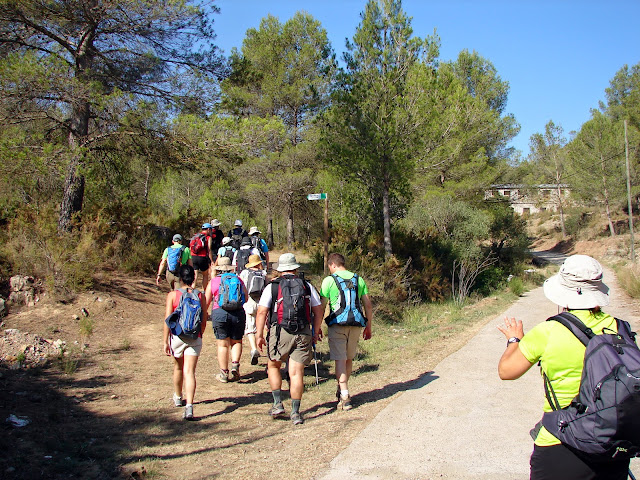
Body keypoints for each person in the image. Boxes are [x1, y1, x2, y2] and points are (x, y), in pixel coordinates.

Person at [497, 255, 631, 480]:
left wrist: (514, 340)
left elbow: (506, 371)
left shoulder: (548, 331)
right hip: (611, 446)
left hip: (559, 445)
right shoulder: (620, 328)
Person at [256, 253, 324, 425]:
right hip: (303, 332)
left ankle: (278, 403)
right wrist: (315, 331)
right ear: (295, 268)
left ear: (280, 270)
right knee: (296, 373)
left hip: (279, 331)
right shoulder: (307, 286)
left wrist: (258, 334)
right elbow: (318, 310)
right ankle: (295, 412)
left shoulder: (272, 287)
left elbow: (262, 311)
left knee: (273, 365)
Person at [320, 253, 373, 410]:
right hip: (356, 324)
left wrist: (316, 328)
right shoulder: (358, 279)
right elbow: (368, 305)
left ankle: (344, 395)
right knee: (348, 359)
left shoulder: (329, 280)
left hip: (337, 324)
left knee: (339, 360)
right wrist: (369, 326)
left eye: (330, 267)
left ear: (333, 265)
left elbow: (322, 306)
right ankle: (343, 387)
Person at [163, 265, 206, 420]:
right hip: (194, 337)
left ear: (180, 278)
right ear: (193, 278)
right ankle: (189, 406)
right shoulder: (200, 295)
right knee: (190, 371)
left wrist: (166, 341)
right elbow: (203, 319)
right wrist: (199, 334)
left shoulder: (173, 295)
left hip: (177, 337)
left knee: (178, 367)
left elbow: (168, 320)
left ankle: (178, 396)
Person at [205, 256, 247, 383]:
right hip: (238, 313)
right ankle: (235, 366)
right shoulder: (238, 279)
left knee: (223, 344)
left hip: (220, 313)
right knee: (237, 341)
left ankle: (224, 373)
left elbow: (206, 301)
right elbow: (246, 298)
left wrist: (205, 314)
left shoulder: (214, 281)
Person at [239, 254, 268, 366]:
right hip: (262, 302)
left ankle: (253, 348)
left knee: (250, 327)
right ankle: (265, 344)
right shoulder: (263, 273)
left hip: (249, 302)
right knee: (263, 325)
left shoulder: (244, 273)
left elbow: (241, 286)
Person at [190, 223, 214, 290]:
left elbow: (191, 247)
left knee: (195, 275)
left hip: (193, 257)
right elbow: (209, 249)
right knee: (205, 275)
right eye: (211, 230)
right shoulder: (208, 237)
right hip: (202, 257)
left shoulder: (195, 236)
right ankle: (204, 291)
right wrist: (211, 260)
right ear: (208, 229)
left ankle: (192, 290)